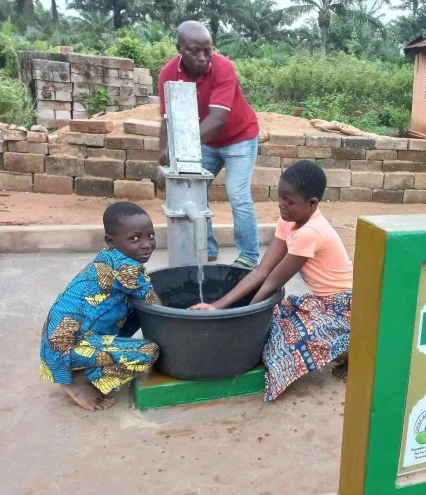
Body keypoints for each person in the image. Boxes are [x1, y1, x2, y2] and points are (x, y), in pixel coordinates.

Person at [190, 160, 353, 401]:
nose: (281, 205)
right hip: (321, 300)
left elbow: (271, 283)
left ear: (312, 204)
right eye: (280, 197)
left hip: (345, 305)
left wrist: (242, 317)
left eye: (289, 201)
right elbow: (262, 270)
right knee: (275, 323)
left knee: (290, 345)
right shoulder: (289, 220)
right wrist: (217, 306)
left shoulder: (310, 233)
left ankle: (356, 351)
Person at [153, 20, 260, 267]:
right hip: (205, 140)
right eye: (194, 51)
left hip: (239, 137)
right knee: (196, 191)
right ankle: (207, 248)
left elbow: (217, 120)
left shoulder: (223, 67)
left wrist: (177, 151)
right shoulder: (168, 74)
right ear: (179, 48)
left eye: (208, 50)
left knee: (237, 193)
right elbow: (167, 118)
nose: (203, 57)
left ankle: (249, 256)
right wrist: (165, 161)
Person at [40, 202, 162, 411]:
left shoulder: (111, 256)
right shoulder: (127, 267)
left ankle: (88, 363)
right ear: (110, 241)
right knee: (148, 351)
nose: (146, 244)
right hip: (68, 349)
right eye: (134, 238)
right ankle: (79, 378)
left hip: (62, 341)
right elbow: (157, 307)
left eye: (150, 235)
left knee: (136, 309)